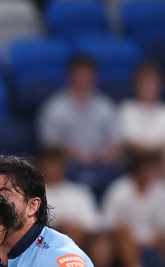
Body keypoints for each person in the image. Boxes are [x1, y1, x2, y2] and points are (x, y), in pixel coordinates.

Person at [37, 55, 122, 197]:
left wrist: (106, 155)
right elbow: (49, 144)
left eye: (88, 75)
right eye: (80, 75)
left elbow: (117, 139)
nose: (84, 79)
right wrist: (77, 155)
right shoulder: (55, 107)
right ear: (71, 76)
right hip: (69, 165)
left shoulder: (105, 106)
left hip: (101, 163)